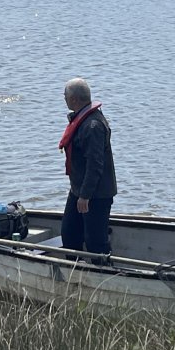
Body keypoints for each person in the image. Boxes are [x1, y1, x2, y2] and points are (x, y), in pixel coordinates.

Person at [58, 77, 118, 254]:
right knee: (69, 235)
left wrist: (85, 196)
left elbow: (95, 165)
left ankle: (105, 274)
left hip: (96, 195)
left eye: (65, 95)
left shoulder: (92, 126)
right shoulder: (81, 120)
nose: (64, 99)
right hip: (78, 190)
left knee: (96, 241)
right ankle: (74, 273)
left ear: (74, 99)